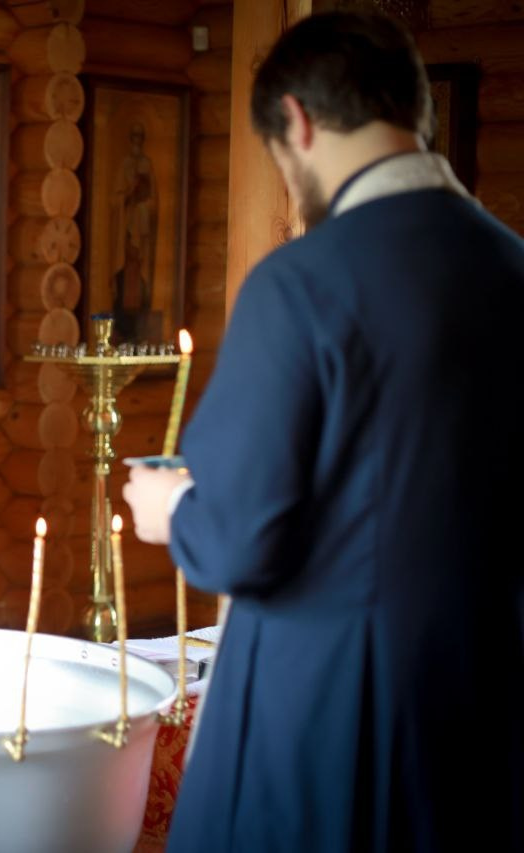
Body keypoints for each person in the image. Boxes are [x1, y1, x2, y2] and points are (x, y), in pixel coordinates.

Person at [121, 12, 524, 852]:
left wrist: (170, 507)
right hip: (487, 711)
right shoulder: (511, 269)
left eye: (278, 158)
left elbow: (236, 537)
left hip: (329, 717)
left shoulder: (302, 284)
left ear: (297, 122)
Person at [111, 122, 158, 342]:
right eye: (134, 137)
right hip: (127, 228)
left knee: (139, 275)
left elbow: (153, 201)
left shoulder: (148, 165)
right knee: (126, 274)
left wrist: (143, 202)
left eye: (140, 137)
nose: (137, 142)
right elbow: (116, 200)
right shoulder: (125, 165)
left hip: (142, 226)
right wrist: (129, 193)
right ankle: (123, 324)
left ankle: (139, 323)